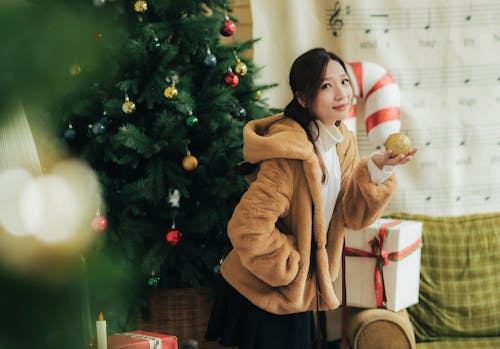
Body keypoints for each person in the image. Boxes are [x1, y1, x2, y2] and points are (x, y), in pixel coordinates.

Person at [205, 47, 417, 349]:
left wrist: (377, 169)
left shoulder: (342, 143)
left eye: (344, 81)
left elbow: (352, 215)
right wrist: (292, 266)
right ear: (303, 98)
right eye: (326, 86)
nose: (341, 93)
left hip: (296, 294)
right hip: (262, 291)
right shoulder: (289, 153)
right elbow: (247, 228)